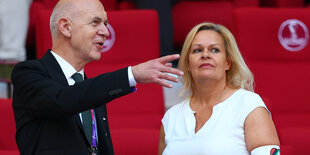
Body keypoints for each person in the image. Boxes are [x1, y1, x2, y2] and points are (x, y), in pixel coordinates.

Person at [11, 0, 183, 154]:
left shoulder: (90, 89)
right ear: (65, 27)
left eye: (106, 23)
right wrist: (132, 74)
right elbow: (62, 100)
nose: (106, 32)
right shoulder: (27, 74)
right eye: (95, 22)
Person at [158, 22, 280, 155]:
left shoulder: (249, 104)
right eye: (197, 50)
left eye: (215, 49)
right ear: (188, 64)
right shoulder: (171, 117)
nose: (205, 55)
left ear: (227, 62)